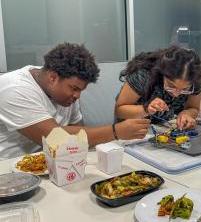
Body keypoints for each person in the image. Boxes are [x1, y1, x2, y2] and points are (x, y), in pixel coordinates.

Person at [0, 43, 150, 160]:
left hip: (55, 161)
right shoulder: (15, 89)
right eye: (74, 88)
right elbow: (55, 139)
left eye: (81, 90)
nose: (77, 96)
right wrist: (116, 131)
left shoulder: (65, 92)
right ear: (52, 77)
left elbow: (78, 132)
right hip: (10, 168)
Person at [115, 46, 201, 130]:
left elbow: (194, 108)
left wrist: (186, 113)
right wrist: (146, 109)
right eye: (171, 85)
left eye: (185, 89)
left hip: (163, 128)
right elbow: (119, 111)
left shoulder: (196, 80)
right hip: (132, 129)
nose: (176, 94)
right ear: (162, 73)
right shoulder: (144, 75)